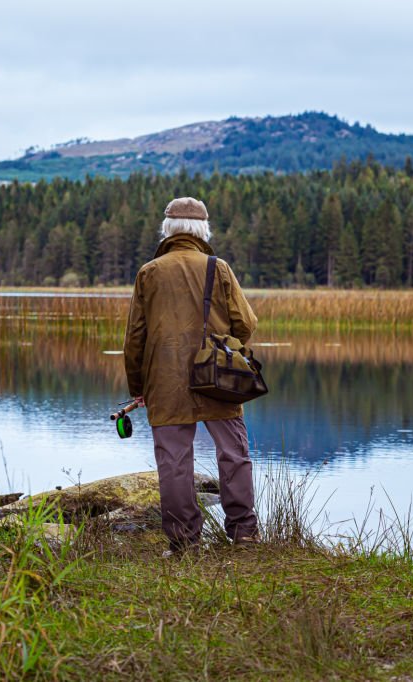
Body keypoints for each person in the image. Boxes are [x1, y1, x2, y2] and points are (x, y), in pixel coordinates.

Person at [123, 197, 259, 555]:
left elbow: (135, 338)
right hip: (219, 377)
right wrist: (225, 347)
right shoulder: (219, 268)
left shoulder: (149, 272)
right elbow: (246, 324)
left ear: (167, 229)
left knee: (174, 461)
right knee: (233, 453)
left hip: (164, 382)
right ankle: (244, 534)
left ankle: (184, 543)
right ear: (203, 230)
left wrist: (138, 388)